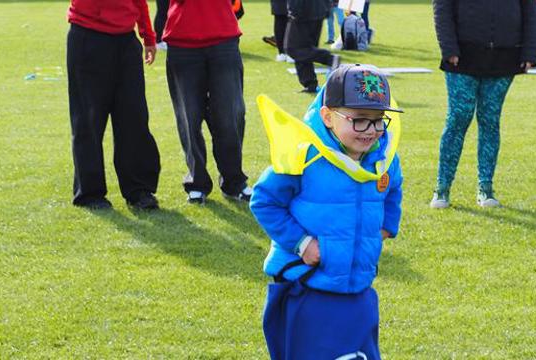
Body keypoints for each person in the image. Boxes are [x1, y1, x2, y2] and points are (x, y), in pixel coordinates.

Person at [251, 64, 403, 359]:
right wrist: (302, 243)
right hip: (308, 286)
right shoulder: (304, 155)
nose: (371, 131)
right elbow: (264, 201)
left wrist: (386, 226)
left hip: (358, 286)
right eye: (359, 120)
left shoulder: (384, 158)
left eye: (377, 121)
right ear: (328, 116)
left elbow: (392, 188)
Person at [431, 0, 536, 208]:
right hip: (461, 57)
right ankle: (442, 189)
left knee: (490, 121)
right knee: (458, 119)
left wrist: (530, 52)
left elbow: (530, 10)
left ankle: (486, 188)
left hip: (504, 57)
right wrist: (448, 47)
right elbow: (442, 8)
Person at [67, 0, 161, 210]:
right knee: (88, 119)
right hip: (87, 35)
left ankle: (138, 190)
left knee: (133, 117)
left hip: (126, 40)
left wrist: (147, 34)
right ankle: (90, 193)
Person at [163, 0, 251, 204]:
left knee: (230, 116)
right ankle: (197, 182)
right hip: (182, 40)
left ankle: (234, 181)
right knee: (188, 118)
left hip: (224, 38)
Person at [285, 0, 341, 93]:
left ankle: (329, 58)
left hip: (303, 12)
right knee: (306, 48)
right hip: (319, 10)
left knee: (294, 49)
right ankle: (310, 84)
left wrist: (293, 10)